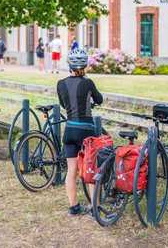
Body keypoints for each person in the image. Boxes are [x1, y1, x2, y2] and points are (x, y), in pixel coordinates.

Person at [57, 49, 103, 216]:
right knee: (90, 168)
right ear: (85, 65)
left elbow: (63, 104)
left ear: (69, 65)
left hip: (69, 130)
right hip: (86, 132)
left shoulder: (61, 84)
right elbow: (99, 99)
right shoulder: (88, 83)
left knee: (71, 170)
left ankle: (74, 207)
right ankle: (94, 207)